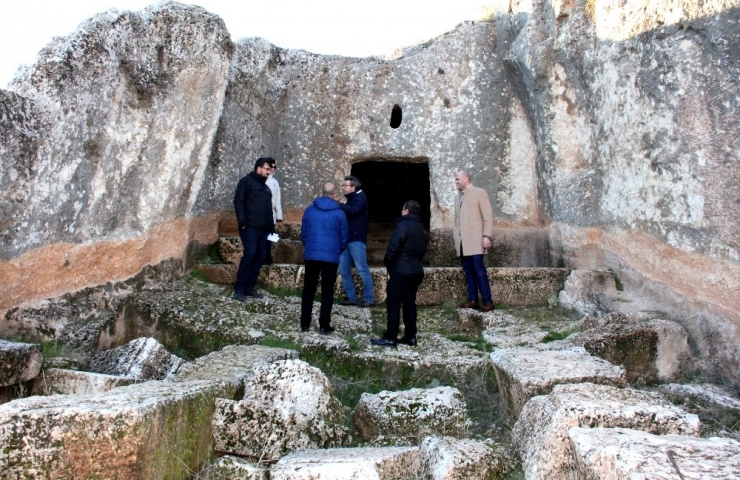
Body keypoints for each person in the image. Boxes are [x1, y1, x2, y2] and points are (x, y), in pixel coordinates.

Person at [371, 200, 427, 347]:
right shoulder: (421, 228)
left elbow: (394, 246)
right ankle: (410, 336)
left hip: (401, 270)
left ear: (406, 211)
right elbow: (422, 249)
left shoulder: (402, 225)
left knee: (394, 303)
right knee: (410, 303)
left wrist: (388, 261)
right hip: (416, 270)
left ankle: (391, 336)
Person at [300, 182, 349, 334]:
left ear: (321, 193)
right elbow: (344, 237)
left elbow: (304, 234)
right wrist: (336, 250)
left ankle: (305, 324)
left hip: (312, 255)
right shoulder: (339, 213)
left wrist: (310, 247)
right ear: (335, 195)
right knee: (327, 291)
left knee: (309, 289)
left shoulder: (309, 211)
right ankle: (324, 325)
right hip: (330, 257)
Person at [232, 157, 274, 301]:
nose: (269, 172)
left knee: (260, 257)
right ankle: (239, 288)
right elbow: (239, 201)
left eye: (271, 169)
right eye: (267, 168)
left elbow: (269, 210)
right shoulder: (247, 181)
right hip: (250, 227)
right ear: (259, 167)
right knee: (250, 254)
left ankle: (250, 287)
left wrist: (272, 230)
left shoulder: (265, 187)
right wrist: (243, 222)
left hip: (265, 229)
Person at [453, 170, 495, 312]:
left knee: (478, 269)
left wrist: (486, 236)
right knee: (469, 271)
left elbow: (487, 217)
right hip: (463, 241)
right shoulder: (458, 197)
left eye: (458, 179)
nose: (456, 181)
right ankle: (472, 300)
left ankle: (487, 301)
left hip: (476, 239)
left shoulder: (479, 192)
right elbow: (458, 220)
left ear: (466, 179)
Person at [338, 175, 375, 307]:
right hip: (347, 239)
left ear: (353, 187)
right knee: (343, 268)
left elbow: (353, 212)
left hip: (356, 239)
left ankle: (369, 298)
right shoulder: (352, 198)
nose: (343, 188)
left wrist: (339, 205)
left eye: (345, 185)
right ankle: (351, 297)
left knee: (362, 269)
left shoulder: (360, 197)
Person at [263, 158, 283, 265]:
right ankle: (263, 257)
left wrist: (279, 215)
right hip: (263, 214)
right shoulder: (263, 180)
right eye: (272, 167)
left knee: (269, 237)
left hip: (272, 215)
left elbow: (277, 200)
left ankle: (267, 257)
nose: (273, 169)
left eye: (275, 167)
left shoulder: (275, 182)